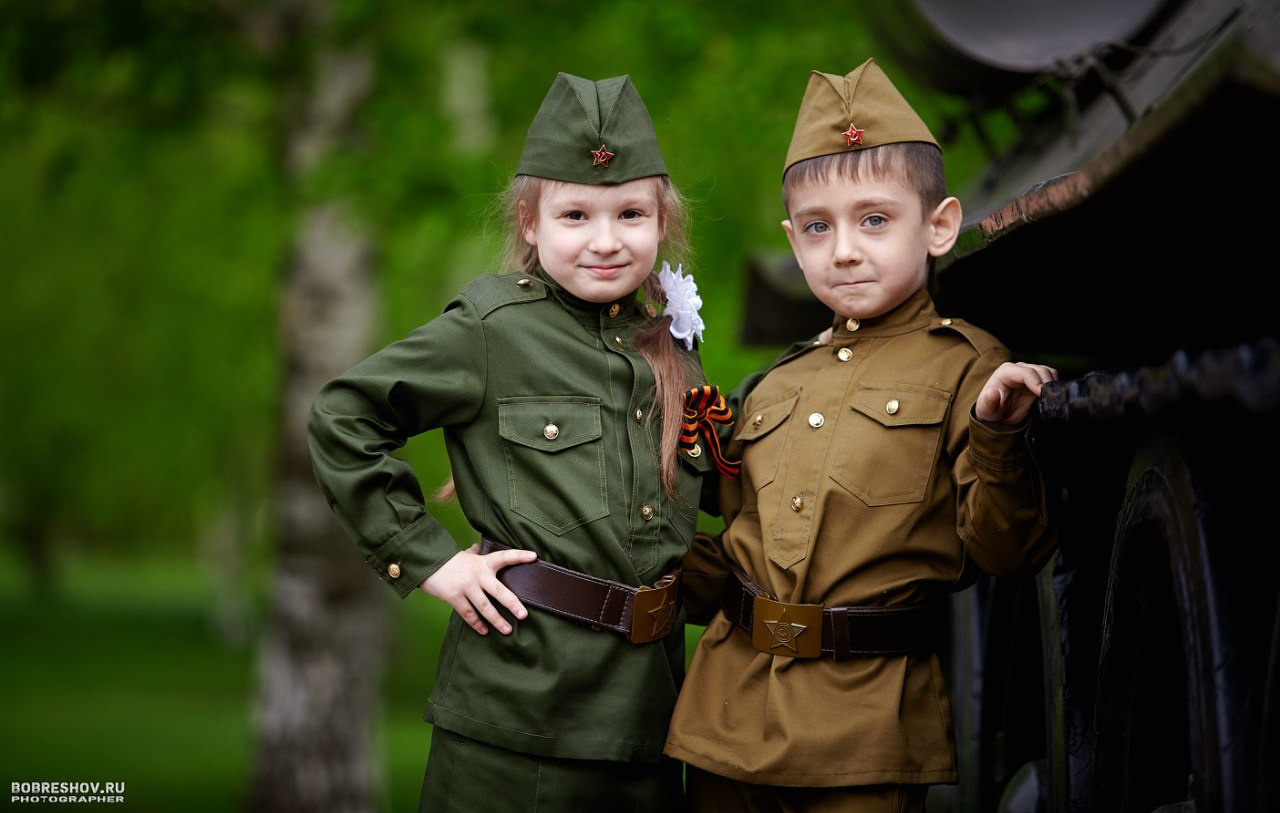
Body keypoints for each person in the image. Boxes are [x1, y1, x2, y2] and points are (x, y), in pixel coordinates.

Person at [307, 71, 734, 813]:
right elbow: (344, 416)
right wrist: (431, 560)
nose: (606, 240)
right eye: (576, 215)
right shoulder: (491, 328)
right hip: (516, 723)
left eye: (630, 213)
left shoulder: (671, 346)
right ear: (532, 224)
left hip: (650, 726)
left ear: (662, 222)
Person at [664, 59, 1061, 812]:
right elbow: (733, 555)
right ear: (793, 238)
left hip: (863, 733)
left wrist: (998, 435)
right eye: (818, 227)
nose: (844, 249)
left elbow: (1006, 550)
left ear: (938, 224)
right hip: (724, 722)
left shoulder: (969, 369)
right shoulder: (776, 385)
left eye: (874, 219)